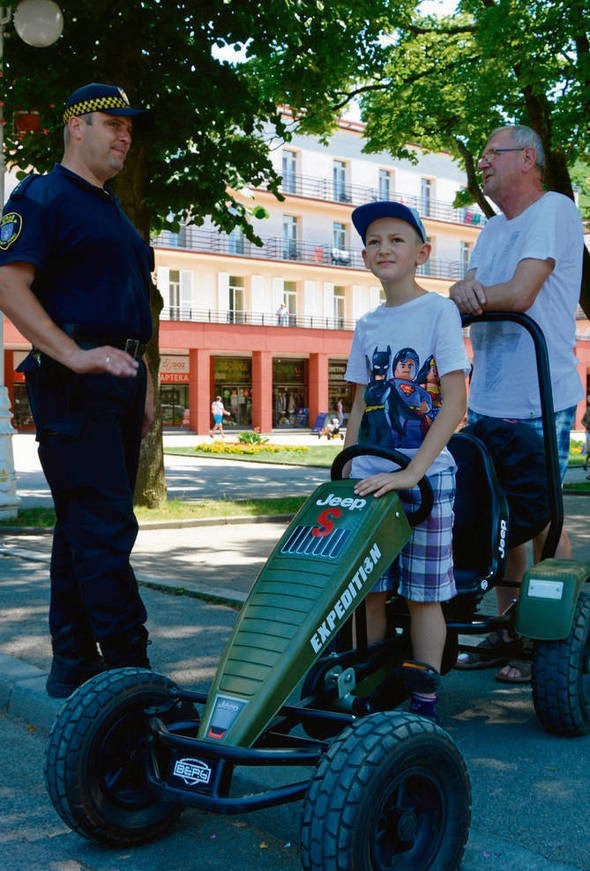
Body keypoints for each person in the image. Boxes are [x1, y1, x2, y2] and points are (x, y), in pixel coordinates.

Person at [0, 83, 154, 698]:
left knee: (82, 526)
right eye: (112, 123)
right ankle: (130, 673)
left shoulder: (114, 210)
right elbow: (11, 286)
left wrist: (143, 386)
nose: (123, 136)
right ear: (74, 127)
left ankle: (72, 661)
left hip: (121, 382)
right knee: (106, 525)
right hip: (73, 383)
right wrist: (70, 354)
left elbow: (135, 303)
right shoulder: (41, 196)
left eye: (129, 128)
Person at [450, 124, 585, 683]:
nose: (481, 162)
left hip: (538, 392)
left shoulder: (553, 210)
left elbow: (519, 293)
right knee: (498, 519)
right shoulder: (490, 228)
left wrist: (464, 298)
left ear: (527, 158)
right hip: (489, 393)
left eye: (491, 153)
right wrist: (461, 296)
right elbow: (470, 292)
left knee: (541, 520)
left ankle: (558, 634)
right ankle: (513, 627)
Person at [344, 200, 468, 721]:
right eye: (373, 242)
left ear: (422, 252)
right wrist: (346, 467)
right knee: (368, 593)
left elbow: (456, 403)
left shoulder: (439, 311)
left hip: (426, 482)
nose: (383, 248)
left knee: (422, 596)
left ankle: (424, 699)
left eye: (396, 239)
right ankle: (373, 690)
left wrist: (414, 470)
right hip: (371, 481)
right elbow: (357, 402)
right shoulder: (368, 324)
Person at [582, 398, 590, 475]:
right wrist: (587, 425)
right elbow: (582, 421)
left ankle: (585, 463)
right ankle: (585, 463)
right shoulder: (587, 411)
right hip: (588, 433)